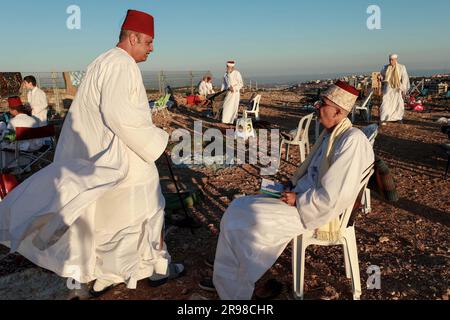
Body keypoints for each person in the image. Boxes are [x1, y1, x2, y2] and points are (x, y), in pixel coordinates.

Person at [0, 9, 184, 297]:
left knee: (114, 219)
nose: (152, 48)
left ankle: (106, 276)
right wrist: (157, 142)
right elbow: (119, 115)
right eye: (148, 42)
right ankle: (159, 268)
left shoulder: (102, 61)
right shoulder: (122, 65)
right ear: (133, 38)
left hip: (105, 157)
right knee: (151, 209)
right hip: (127, 154)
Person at [199, 81, 375, 300]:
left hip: (312, 210)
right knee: (240, 207)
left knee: (240, 219)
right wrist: (291, 188)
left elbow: (335, 196)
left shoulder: (352, 141)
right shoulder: (331, 134)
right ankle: (229, 271)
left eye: (323, 104)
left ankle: (233, 285)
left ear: (338, 110)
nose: (317, 107)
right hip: (302, 198)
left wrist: (298, 199)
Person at [0, 97, 43, 168]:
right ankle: (26, 167)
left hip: (23, 148)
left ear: (13, 110)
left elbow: (7, 138)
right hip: (35, 145)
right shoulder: (34, 119)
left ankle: (6, 168)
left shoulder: (13, 121)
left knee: (3, 144)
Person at [379, 54, 410, 125]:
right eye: (390, 59)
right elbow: (381, 75)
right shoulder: (385, 67)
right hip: (388, 88)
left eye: (392, 60)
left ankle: (398, 118)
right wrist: (380, 77)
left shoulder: (401, 67)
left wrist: (403, 89)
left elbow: (405, 78)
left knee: (398, 103)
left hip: (397, 88)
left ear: (396, 60)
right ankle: (384, 119)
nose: (391, 61)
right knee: (385, 102)